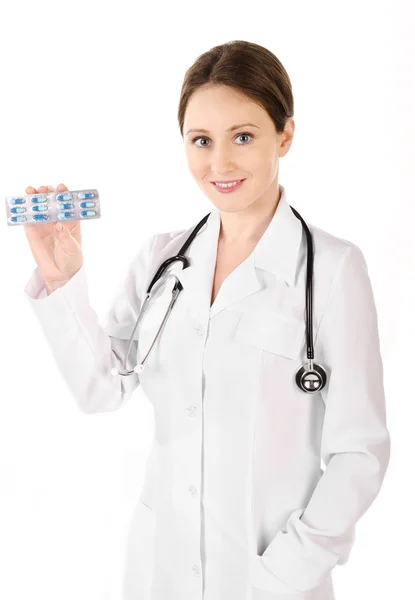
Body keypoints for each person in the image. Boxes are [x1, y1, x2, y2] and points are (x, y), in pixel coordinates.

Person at [23, 40, 391, 600]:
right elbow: (102, 389)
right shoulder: (162, 260)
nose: (219, 163)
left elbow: (359, 450)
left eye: (243, 136)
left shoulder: (335, 270)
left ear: (284, 136)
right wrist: (61, 278)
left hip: (271, 576)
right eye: (201, 141)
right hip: (160, 572)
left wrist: (291, 568)